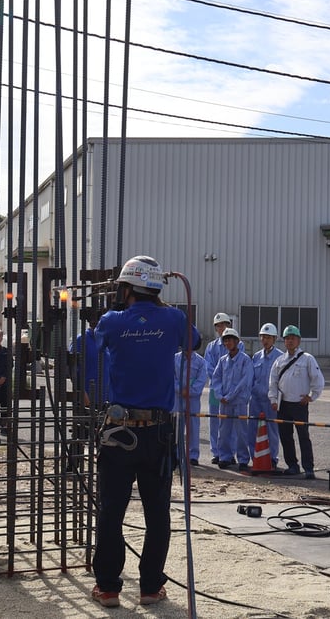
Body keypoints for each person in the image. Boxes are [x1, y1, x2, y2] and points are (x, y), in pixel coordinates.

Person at [91, 255, 200, 609]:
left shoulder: (111, 321)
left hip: (119, 432)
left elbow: (94, 343)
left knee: (111, 511)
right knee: (157, 512)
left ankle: (108, 587)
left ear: (127, 288)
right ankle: (151, 587)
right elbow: (193, 341)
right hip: (158, 433)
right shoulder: (173, 319)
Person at [269, 325, 325, 478]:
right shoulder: (279, 360)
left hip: (299, 404)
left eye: (293, 338)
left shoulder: (307, 359)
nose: (290, 341)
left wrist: (312, 396)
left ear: (299, 340)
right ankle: (292, 465)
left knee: (303, 436)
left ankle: (308, 468)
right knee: (285, 436)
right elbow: (272, 382)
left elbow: (318, 380)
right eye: (287, 338)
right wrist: (273, 399)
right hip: (283, 404)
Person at [210, 327, 254, 471]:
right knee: (223, 430)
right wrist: (219, 395)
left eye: (230, 340)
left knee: (241, 431)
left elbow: (245, 381)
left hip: (239, 401)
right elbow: (216, 378)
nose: (228, 343)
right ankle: (225, 457)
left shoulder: (245, 360)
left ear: (237, 342)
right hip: (224, 402)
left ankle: (243, 459)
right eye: (226, 340)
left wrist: (230, 396)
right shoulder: (223, 360)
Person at [205, 312, 241, 465]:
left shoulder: (239, 345)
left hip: (232, 391)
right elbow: (210, 368)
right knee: (215, 421)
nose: (222, 328)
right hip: (216, 390)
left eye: (224, 325)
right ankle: (217, 452)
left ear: (229, 326)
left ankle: (230, 452)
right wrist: (220, 385)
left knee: (230, 422)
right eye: (219, 326)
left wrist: (229, 386)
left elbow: (239, 365)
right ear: (216, 328)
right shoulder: (211, 347)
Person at [248, 323, 283, 470]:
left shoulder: (280, 357)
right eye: (263, 337)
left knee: (272, 430)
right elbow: (251, 378)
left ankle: (272, 458)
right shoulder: (256, 356)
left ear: (274, 339)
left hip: (271, 400)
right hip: (256, 399)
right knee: (253, 429)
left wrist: (276, 399)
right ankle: (254, 457)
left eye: (268, 337)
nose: (265, 340)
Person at [174, 343, 208, 466]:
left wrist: (190, 391)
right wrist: (179, 389)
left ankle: (193, 455)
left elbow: (202, 379)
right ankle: (176, 454)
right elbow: (171, 377)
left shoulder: (200, 362)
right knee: (177, 427)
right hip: (177, 398)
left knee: (193, 427)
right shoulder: (175, 359)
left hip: (192, 399)